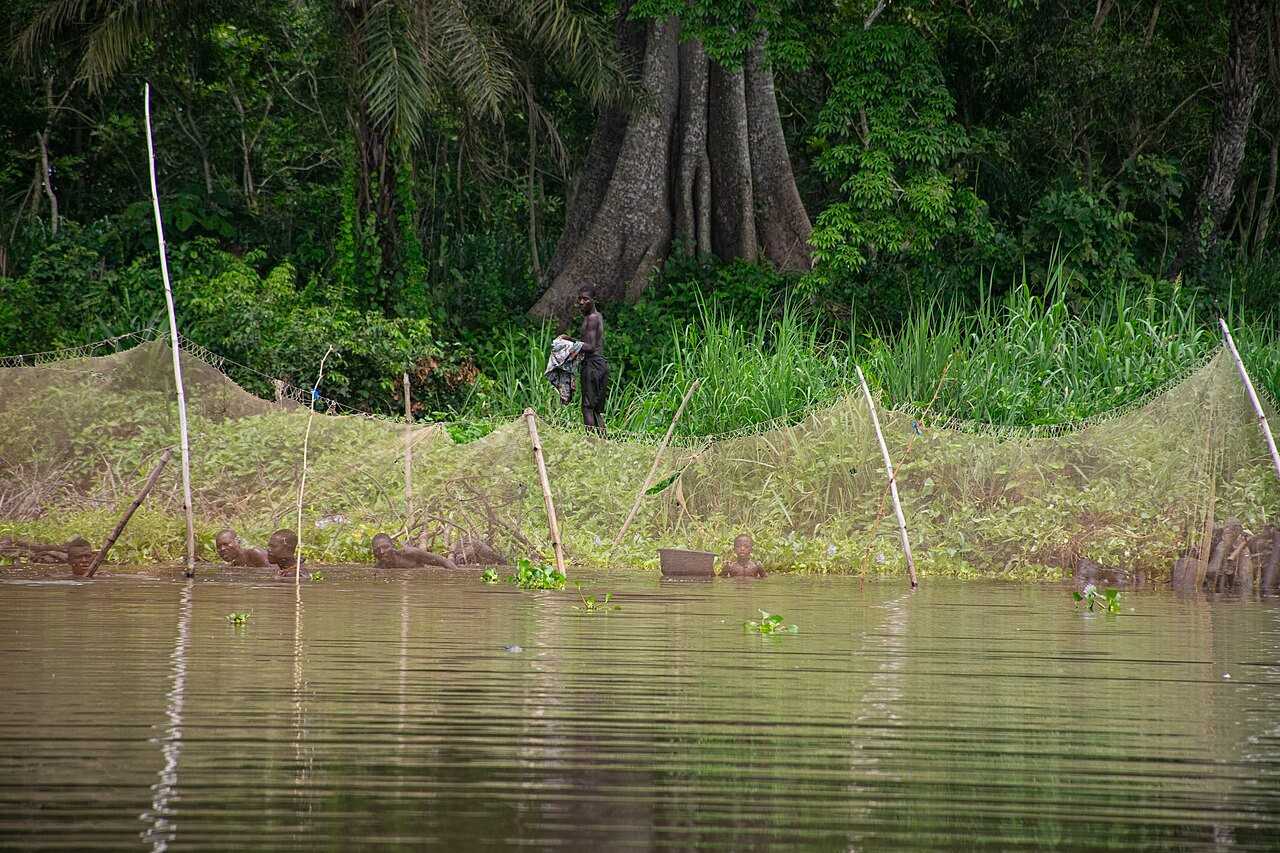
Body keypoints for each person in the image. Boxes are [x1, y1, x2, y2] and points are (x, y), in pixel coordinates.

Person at [558, 287, 608, 436]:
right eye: (579, 299)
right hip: (599, 365)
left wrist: (568, 346)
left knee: (587, 407)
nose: (581, 302)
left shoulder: (592, 318)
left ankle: (591, 444)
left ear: (593, 301)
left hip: (593, 365)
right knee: (595, 410)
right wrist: (571, 339)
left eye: (585, 299)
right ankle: (603, 444)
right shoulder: (596, 316)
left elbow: (590, 346)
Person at [371, 533, 459, 570]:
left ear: (393, 546)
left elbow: (443, 561)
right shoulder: (379, 568)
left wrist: (456, 575)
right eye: (377, 550)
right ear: (374, 553)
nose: (382, 552)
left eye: (385, 547)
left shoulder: (410, 553)